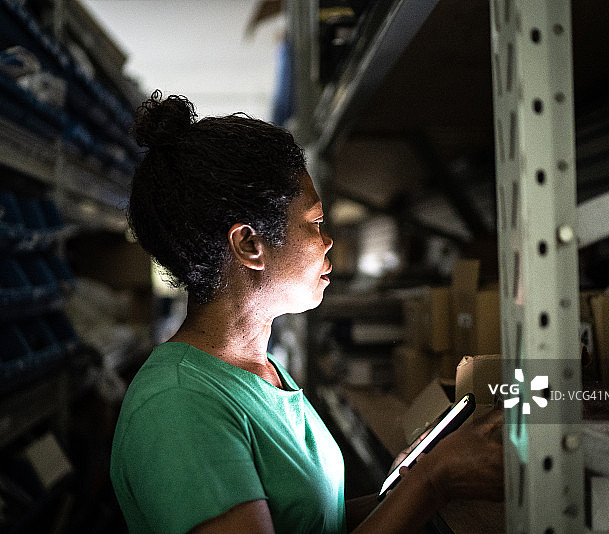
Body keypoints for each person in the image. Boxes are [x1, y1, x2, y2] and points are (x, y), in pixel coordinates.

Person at [110, 91, 504, 534]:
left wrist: (407, 491)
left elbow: (315, 523)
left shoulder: (260, 372)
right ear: (249, 245)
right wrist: (432, 483)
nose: (328, 241)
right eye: (315, 223)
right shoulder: (179, 406)